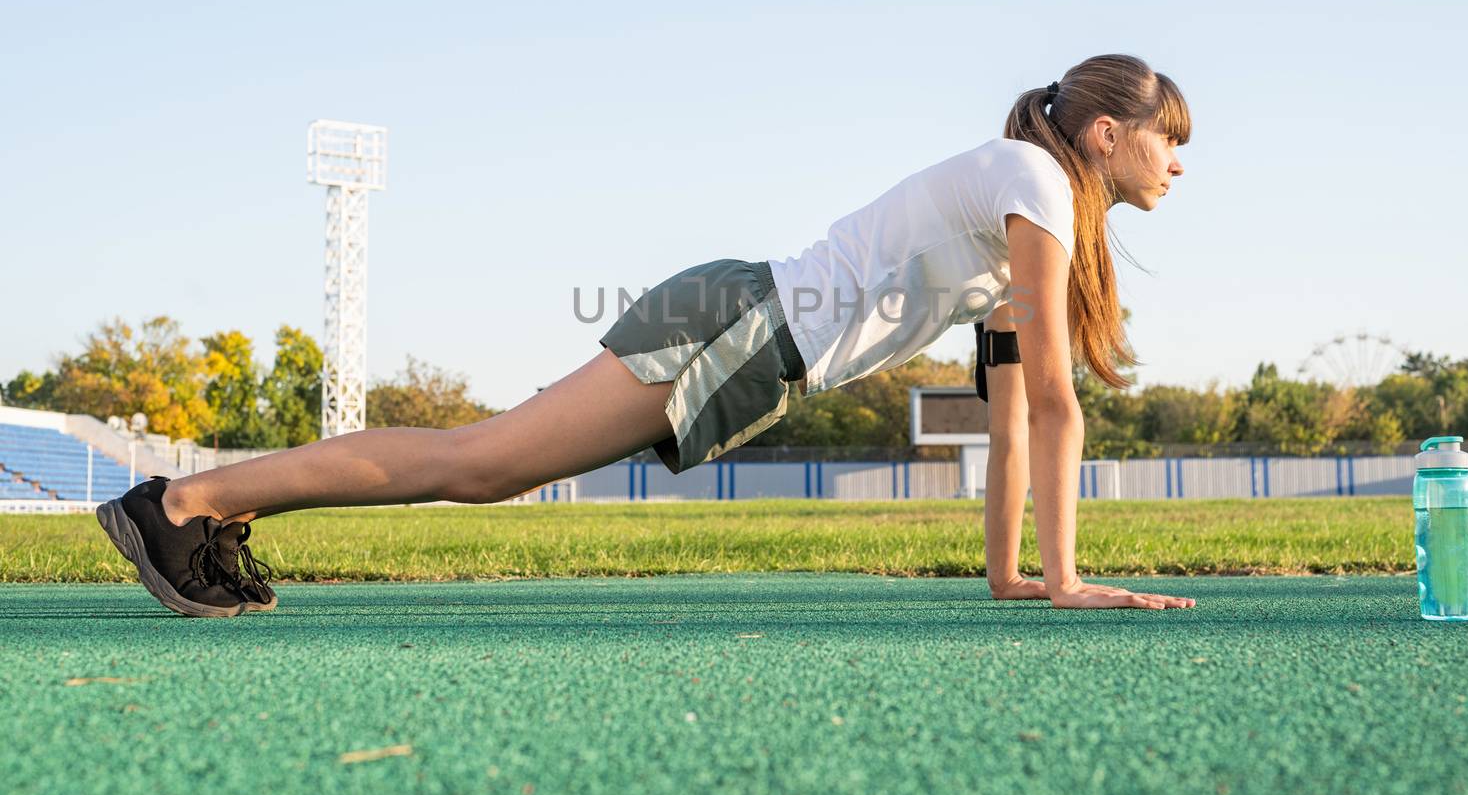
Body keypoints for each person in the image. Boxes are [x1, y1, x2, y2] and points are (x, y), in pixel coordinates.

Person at [97, 52, 1195, 617]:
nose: (1176, 163)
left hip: (745, 339)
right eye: (1167, 140)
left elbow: (1015, 408)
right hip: (734, 324)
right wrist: (1064, 582)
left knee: (481, 465)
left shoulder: (1022, 222)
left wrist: (1011, 574)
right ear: (1109, 133)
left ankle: (203, 506)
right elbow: (1056, 397)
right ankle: (184, 503)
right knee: (478, 464)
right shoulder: (1038, 185)